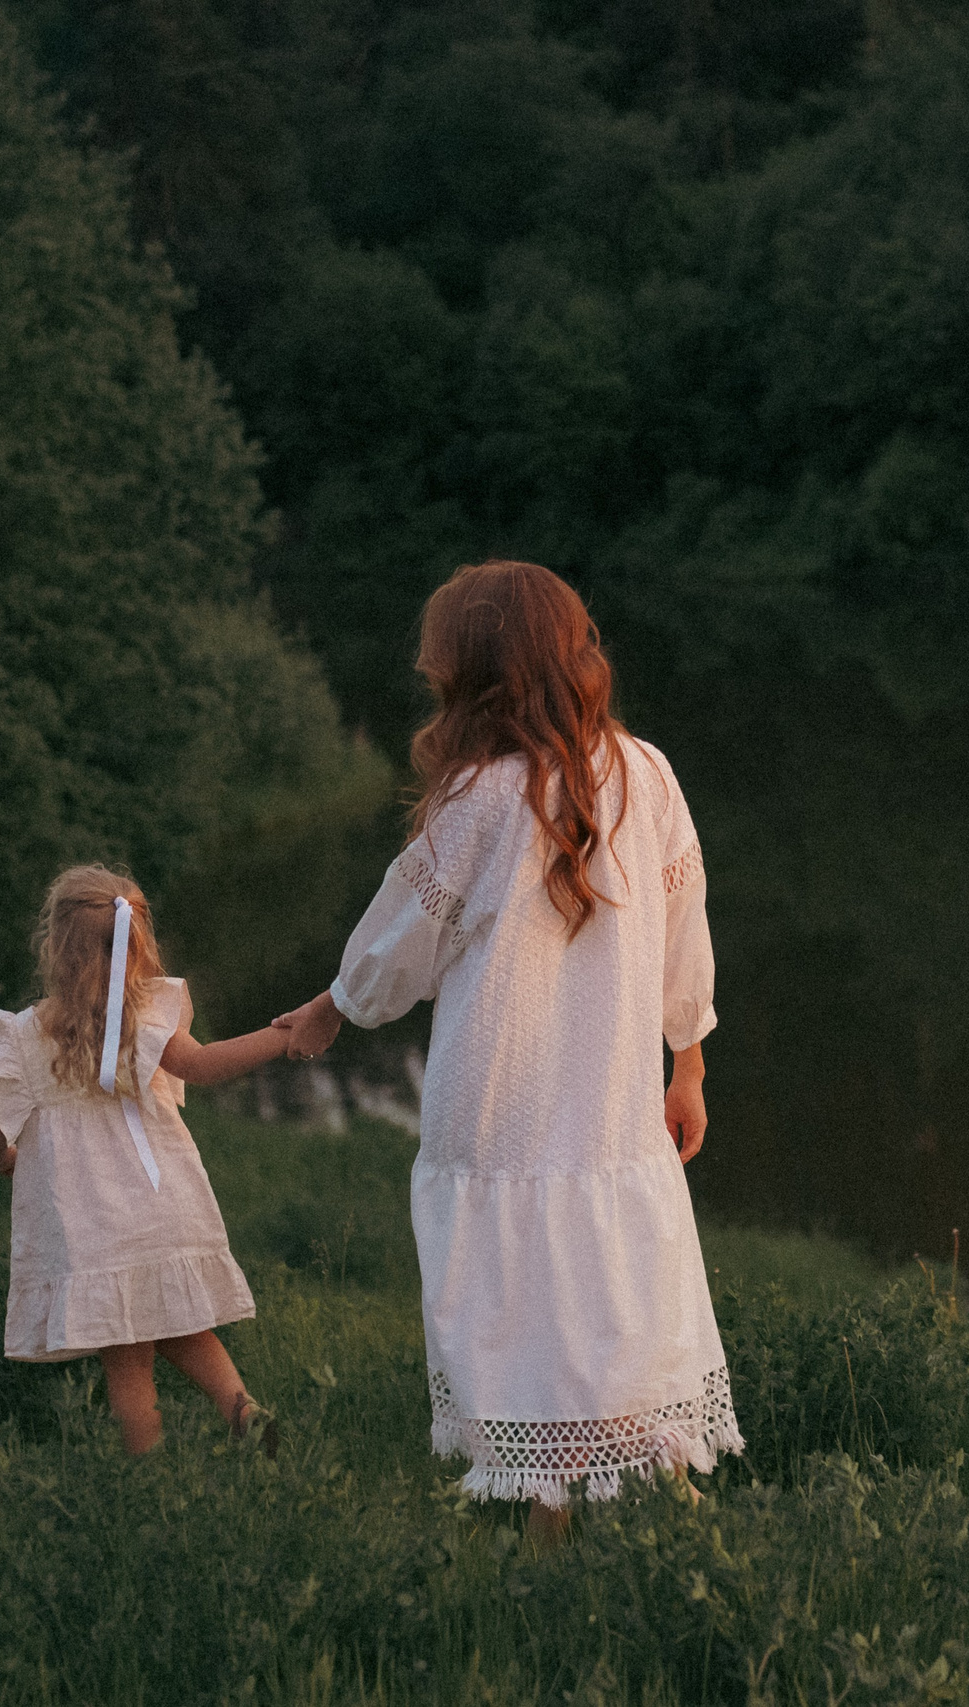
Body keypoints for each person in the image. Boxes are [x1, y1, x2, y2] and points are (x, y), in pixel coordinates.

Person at [277, 559, 740, 1538]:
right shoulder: (645, 771)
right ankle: (628, 1507)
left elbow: (394, 947)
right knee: (614, 1299)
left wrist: (335, 1005)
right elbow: (683, 928)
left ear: (474, 677)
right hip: (608, 1115)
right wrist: (687, 1058)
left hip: (503, 1115)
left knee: (529, 1312)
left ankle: (553, 1526)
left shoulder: (481, 799)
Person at [0, 864, 305, 1455]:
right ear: (138, 943)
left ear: (57, 947)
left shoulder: (26, 1038)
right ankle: (244, 1411)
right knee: (181, 1328)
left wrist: (5, 1159)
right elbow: (204, 1065)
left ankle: (144, 1484)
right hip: (160, 1207)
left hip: (95, 1232)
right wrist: (283, 1035)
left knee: (127, 1363)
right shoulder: (146, 1018)